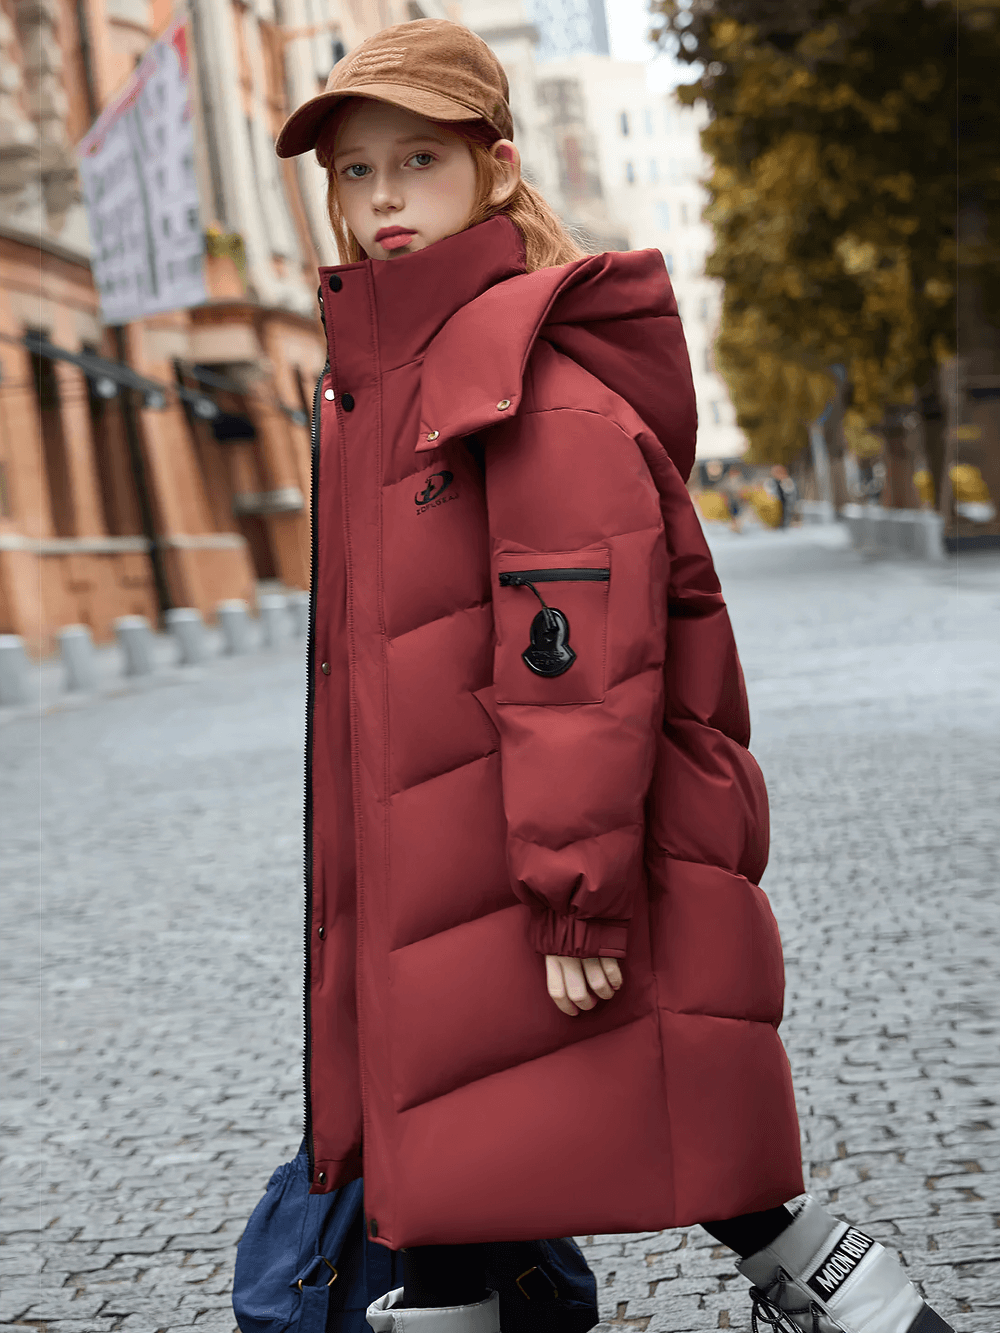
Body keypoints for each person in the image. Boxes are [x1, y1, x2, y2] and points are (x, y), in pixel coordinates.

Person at [274, 20, 951, 1333]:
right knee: (451, 1204)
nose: (383, 199)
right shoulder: (386, 387)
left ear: (497, 165)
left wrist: (577, 895)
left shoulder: (525, 382)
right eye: (355, 174)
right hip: (440, 893)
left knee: (673, 1153)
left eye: (418, 160)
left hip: (535, 893)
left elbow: (574, 656)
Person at [721, 463, 744, 532]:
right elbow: (723, 489)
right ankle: (734, 527)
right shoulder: (727, 480)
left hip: (738, 500)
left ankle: (737, 527)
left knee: (738, 514)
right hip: (731, 500)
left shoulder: (740, 479)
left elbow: (742, 488)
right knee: (733, 514)